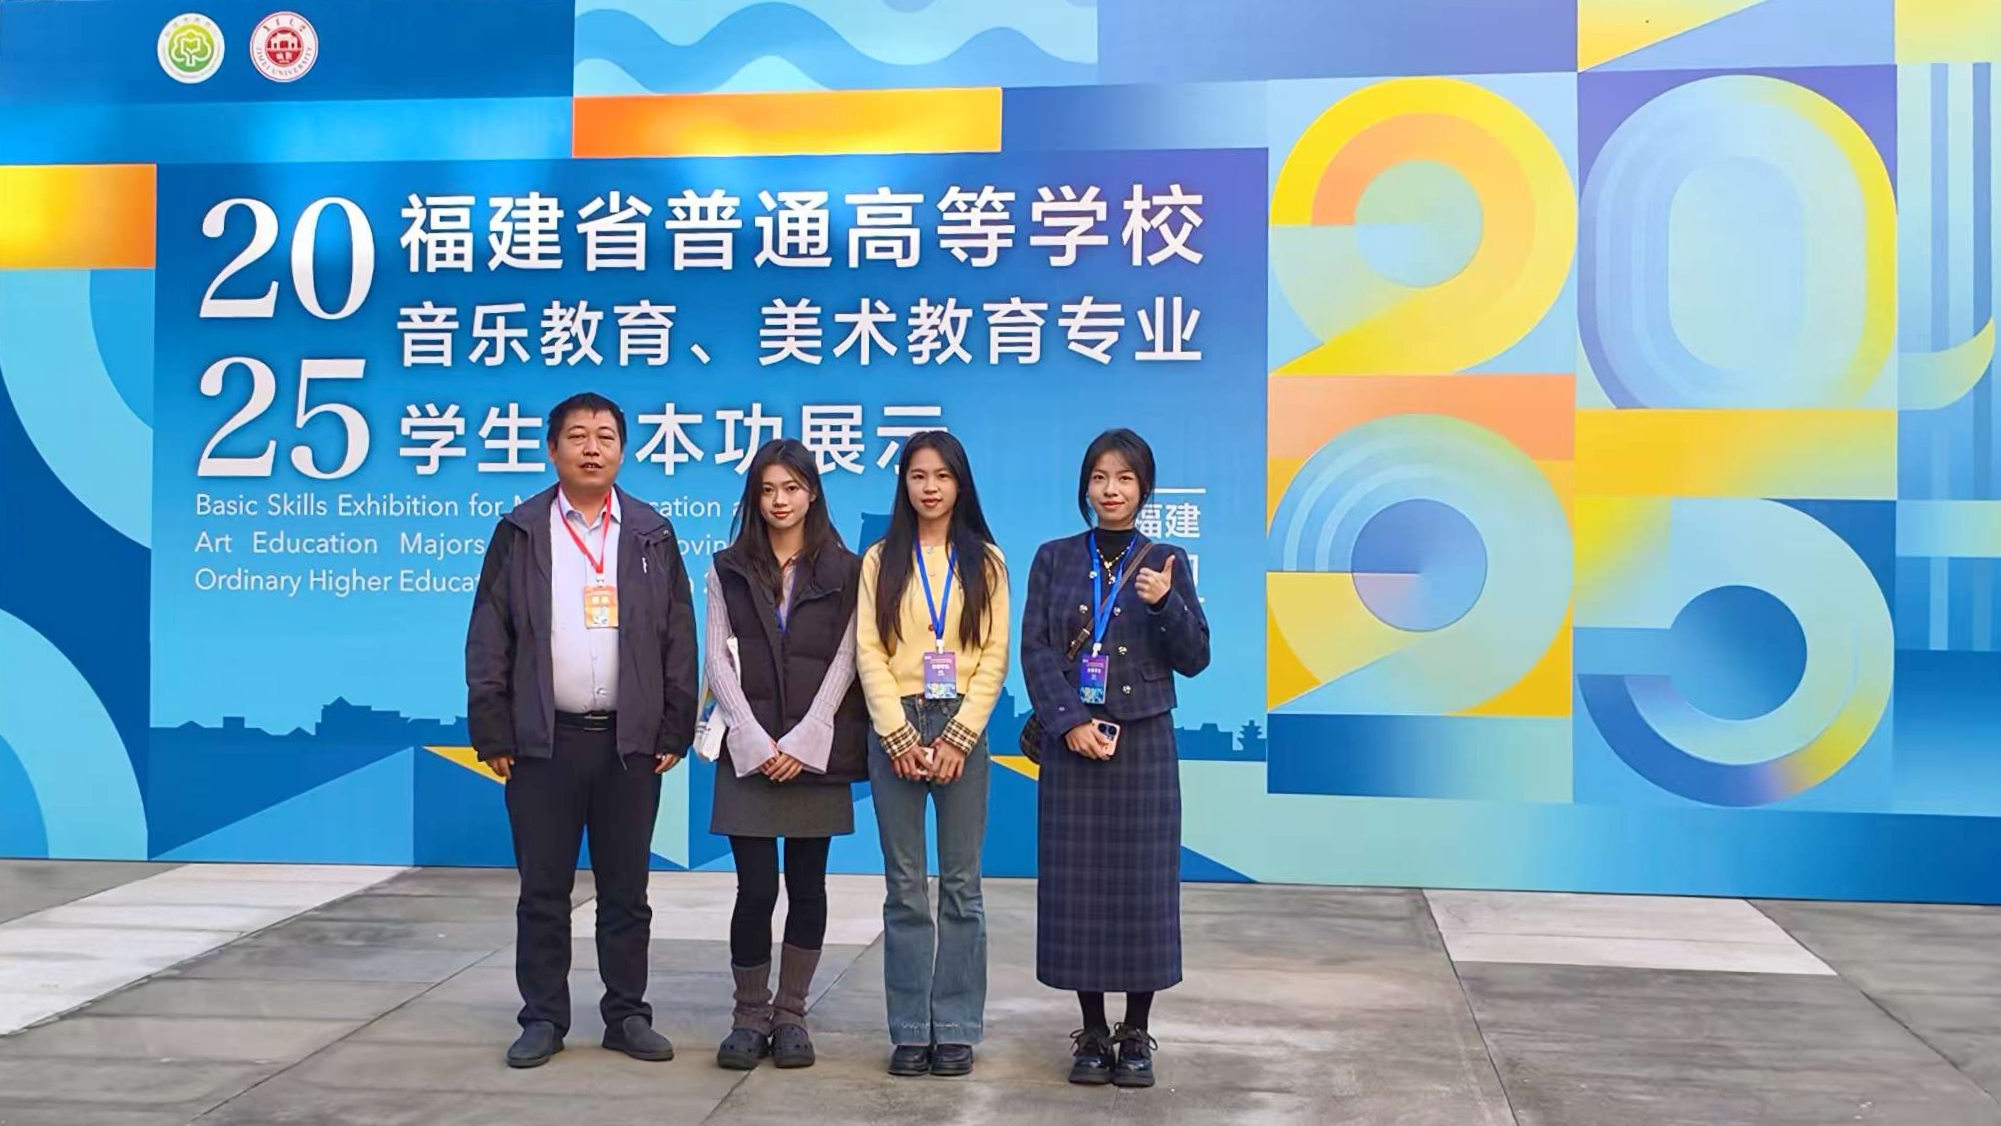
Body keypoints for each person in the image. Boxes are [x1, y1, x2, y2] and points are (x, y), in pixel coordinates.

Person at [465, 391, 699, 1070]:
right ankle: (543, 1017)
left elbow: (678, 636)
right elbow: (489, 634)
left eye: (605, 436)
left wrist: (674, 727)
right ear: (553, 449)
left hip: (629, 744)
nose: (592, 448)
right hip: (543, 742)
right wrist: (493, 729)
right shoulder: (520, 531)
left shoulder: (652, 532)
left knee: (627, 892)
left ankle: (627, 1015)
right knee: (543, 891)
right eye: (577, 436)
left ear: (623, 450)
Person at [1019, 428, 1210, 1089]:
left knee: (1141, 887)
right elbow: (1035, 650)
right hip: (1074, 745)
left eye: (1124, 478)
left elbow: (1195, 657)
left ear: (1143, 489)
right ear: (1085, 487)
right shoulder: (1053, 558)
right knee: (1079, 887)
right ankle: (1093, 1031)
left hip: (1144, 743)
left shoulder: (1166, 561)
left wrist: (1166, 604)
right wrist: (1069, 723)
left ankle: (1136, 1032)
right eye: (1100, 477)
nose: (1111, 489)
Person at [702, 439, 868, 1071]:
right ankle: (749, 1016)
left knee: (807, 884)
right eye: (768, 490)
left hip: (814, 753)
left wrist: (804, 738)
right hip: (747, 752)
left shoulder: (847, 570)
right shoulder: (727, 568)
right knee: (754, 888)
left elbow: (848, 658)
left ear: (812, 493)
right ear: (755, 497)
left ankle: (792, 1013)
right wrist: (750, 737)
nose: (779, 501)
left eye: (791, 488)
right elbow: (716, 657)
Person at [854, 431, 1010, 1078]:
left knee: (961, 887)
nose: (930, 488)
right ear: (904, 484)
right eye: (918, 476)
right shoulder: (879, 559)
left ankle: (956, 1027)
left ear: (959, 483)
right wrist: (895, 733)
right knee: (904, 888)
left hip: (960, 727)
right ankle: (911, 1030)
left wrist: (958, 737)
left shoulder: (987, 561)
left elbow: (994, 657)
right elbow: (867, 650)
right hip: (896, 721)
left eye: (942, 476)